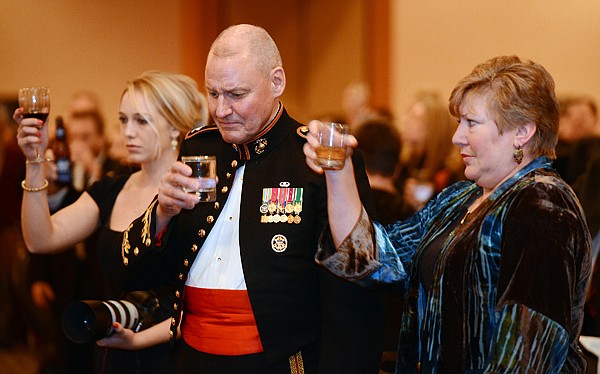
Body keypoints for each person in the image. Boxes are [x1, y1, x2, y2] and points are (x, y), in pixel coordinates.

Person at [113, 24, 384, 373]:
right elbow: (136, 272)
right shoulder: (199, 148)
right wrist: (162, 213)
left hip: (277, 360)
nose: (221, 109)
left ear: (277, 83)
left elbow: (353, 290)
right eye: (212, 93)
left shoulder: (314, 158)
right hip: (191, 357)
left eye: (236, 94)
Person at [303, 55, 592, 372]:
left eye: (472, 123)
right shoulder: (462, 196)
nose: (457, 137)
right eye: (459, 123)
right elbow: (371, 256)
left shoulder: (544, 206)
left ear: (522, 132)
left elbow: (525, 355)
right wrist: (338, 168)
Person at [14, 70, 208, 373]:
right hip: (113, 354)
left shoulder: (197, 196)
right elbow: (40, 239)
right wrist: (34, 161)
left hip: (173, 357)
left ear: (175, 127)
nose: (127, 132)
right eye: (123, 120)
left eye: (141, 121)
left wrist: (138, 341)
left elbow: (205, 307)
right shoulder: (110, 189)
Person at [398, 89, 464, 211]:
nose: (405, 121)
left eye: (415, 117)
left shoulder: (449, 172)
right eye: (407, 114)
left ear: (433, 126)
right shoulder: (405, 164)